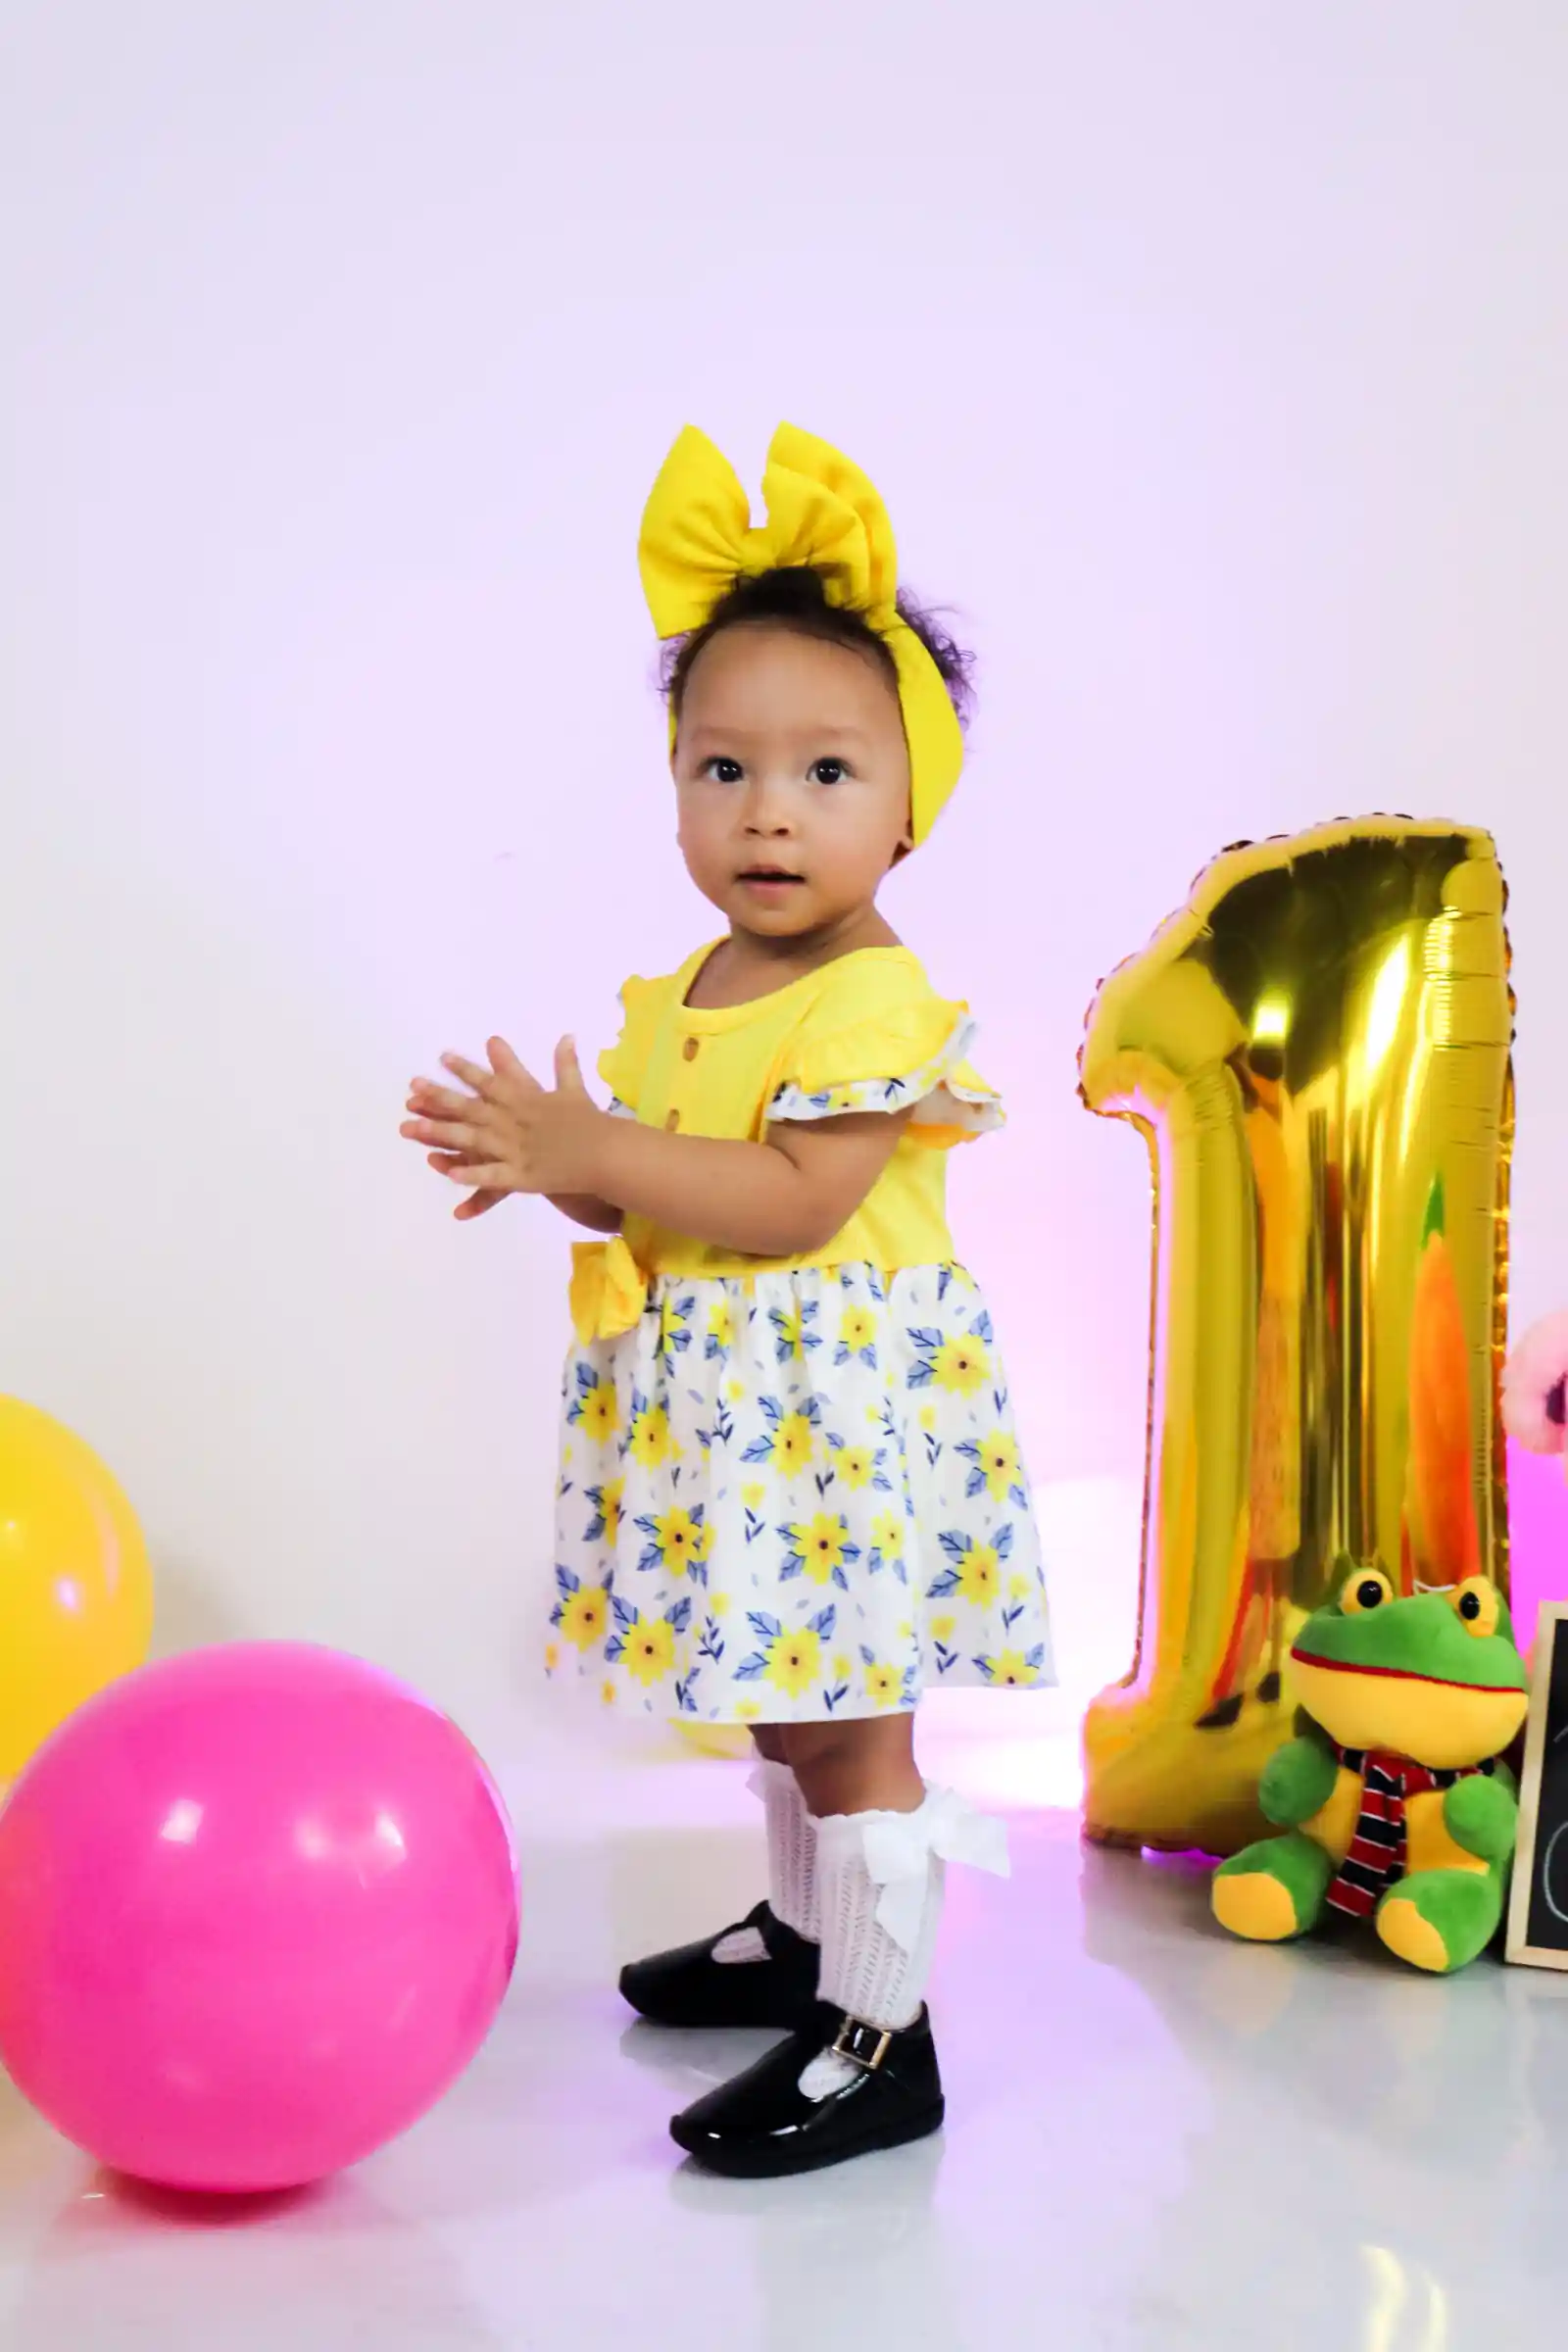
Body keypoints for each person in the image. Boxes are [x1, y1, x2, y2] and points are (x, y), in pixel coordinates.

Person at [402, 423, 1054, 2179]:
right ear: (676, 784)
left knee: (851, 1726)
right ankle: (801, 1937)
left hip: (834, 1426)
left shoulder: (874, 999)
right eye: (723, 766)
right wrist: (553, 1161)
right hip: (738, 1427)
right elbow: (668, 1189)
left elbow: (789, 1198)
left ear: (910, 806)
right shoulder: (693, 983)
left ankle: (882, 2036)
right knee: (782, 1697)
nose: (769, 809)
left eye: (828, 770)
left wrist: (599, 1143)